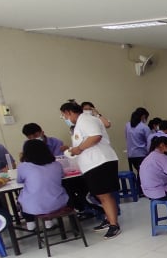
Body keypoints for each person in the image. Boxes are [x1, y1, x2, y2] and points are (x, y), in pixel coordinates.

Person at [60, 101, 122, 238]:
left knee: (104, 195)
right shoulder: (80, 123)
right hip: (93, 164)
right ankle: (109, 220)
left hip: (100, 161)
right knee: (101, 195)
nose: (64, 118)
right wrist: (73, 150)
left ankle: (114, 225)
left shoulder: (86, 120)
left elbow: (96, 137)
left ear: (69, 112)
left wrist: (78, 149)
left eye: (64, 115)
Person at [17, 140, 69, 231]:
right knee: (48, 190)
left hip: (34, 207)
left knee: (23, 196)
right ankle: (48, 222)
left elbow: (19, 180)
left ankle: (30, 223)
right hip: (58, 203)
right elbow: (62, 175)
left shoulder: (23, 166)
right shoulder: (56, 164)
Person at [125, 107, 152, 180]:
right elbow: (150, 142)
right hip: (142, 154)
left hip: (131, 155)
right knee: (144, 174)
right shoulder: (144, 127)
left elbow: (127, 138)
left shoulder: (127, 125)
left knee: (139, 172)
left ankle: (137, 185)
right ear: (143, 116)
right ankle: (141, 185)